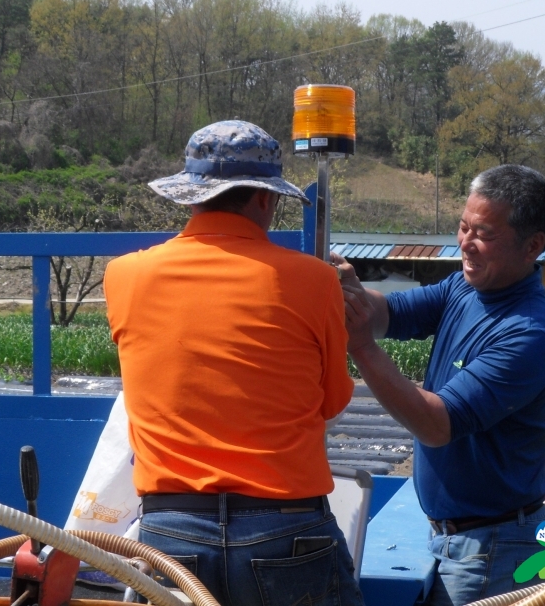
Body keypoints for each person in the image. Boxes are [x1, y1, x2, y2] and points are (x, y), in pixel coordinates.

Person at [104, 120, 365, 606]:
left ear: (190, 195)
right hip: (285, 529)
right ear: (265, 199)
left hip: (171, 536)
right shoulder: (315, 281)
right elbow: (332, 401)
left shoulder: (125, 277)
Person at [339, 164, 545, 605]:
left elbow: (435, 423)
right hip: (458, 539)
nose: (465, 242)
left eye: (482, 233)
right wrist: (346, 292)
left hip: (493, 551)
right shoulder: (465, 288)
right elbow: (390, 313)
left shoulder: (530, 333)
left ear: (533, 246)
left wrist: (362, 348)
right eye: (463, 227)